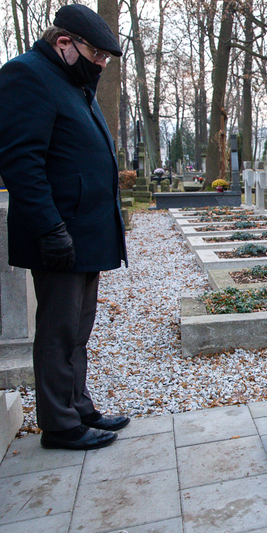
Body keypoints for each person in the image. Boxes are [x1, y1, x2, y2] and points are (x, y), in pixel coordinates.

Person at [0, 5, 129, 450]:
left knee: (78, 329)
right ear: (63, 43)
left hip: (86, 233)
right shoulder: (27, 75)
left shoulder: (73, 83)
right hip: (61, 233)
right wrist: (49, 227)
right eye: (96, 56)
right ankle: (59, 425)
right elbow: (21, 162)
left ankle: (79, 406)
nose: (100, 65)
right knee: (57, 332)